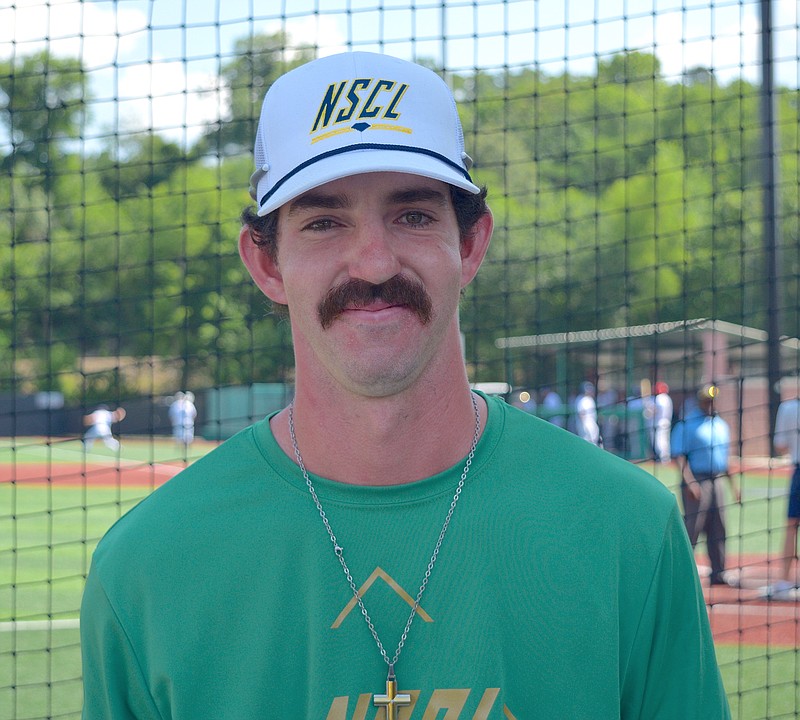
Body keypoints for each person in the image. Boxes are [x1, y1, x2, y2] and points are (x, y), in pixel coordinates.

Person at [80, 52, 730, 719]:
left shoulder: (627, 528)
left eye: (413, 215)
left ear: (471, 243)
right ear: (267, 262)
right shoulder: (148, 567)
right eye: (324, 221)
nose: (374, 261)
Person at [671, 384, 740, 587]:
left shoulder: (721, 424)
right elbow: (680, 457)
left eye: (712, 400)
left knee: (719, 527)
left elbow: (724, 458)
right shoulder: (687, 424)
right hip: (697, 481)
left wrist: (733, 486)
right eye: (706, 400)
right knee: (692, 528)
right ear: (699, 400)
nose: (710, 404)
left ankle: (718, 573)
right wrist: (690, 482)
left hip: (717, 479)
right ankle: (680, 574)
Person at [762, 377, 800, 600]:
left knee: (791, 526)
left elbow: (780, 445)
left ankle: (784, 580)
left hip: (799, 471)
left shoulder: (788, 407)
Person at [644, 381, 673, 463]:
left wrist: (648, 405)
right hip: (664, 422)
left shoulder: (661, 398)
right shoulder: (667, 398)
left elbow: (655, 411)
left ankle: (664, 459)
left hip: (660, 423)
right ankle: (665, 459)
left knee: (660, 443)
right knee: (663, 442)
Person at [574, 381, 602, 447]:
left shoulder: (590, 399)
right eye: (587, 389)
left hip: (592, 423)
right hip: (585, 425)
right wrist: (585, 427)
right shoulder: (581, 399)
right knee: (586, 443)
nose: (589, 391)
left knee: (594, 443)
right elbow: (581, 414)